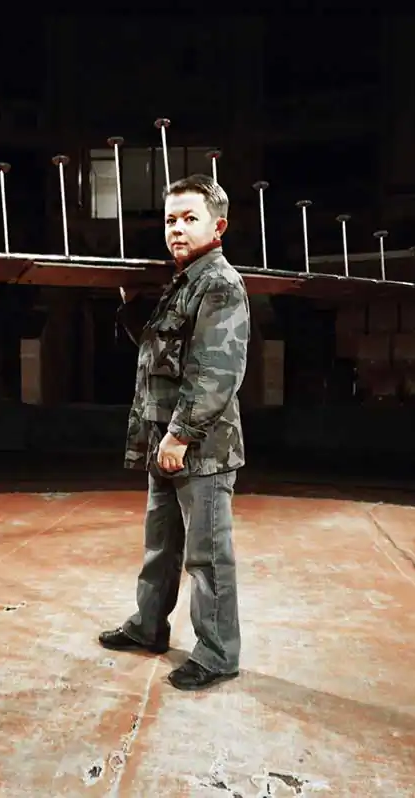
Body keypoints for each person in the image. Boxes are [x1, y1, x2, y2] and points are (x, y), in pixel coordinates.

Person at [98, 173, 250, 691]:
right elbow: (158, 352)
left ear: (218, 227)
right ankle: (148, 626)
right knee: (161, 546)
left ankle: (218, 654)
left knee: (207, 557)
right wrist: (131, 304)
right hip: (167, 441)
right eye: (170, 220)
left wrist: (180, 435)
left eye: (189, 219)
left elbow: (218, 372)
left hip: (200, 448)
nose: (177, 229)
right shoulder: (182, 282)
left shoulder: (220, 284)